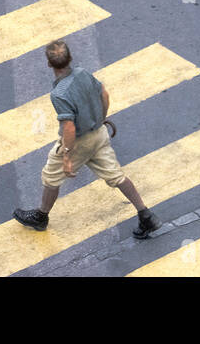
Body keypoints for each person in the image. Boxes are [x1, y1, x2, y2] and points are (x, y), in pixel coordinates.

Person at [13, 40, 162, 239]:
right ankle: (146, 215)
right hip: (99, 133)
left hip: (78, 142)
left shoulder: (59, 93)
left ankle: (41, 217)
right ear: (71, 58)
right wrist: (100, 118)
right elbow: (105, 94)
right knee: (117, 176)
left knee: (51, 177)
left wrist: (66, 156)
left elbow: (69, 126)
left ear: (49, 64)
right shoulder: (83, 73)